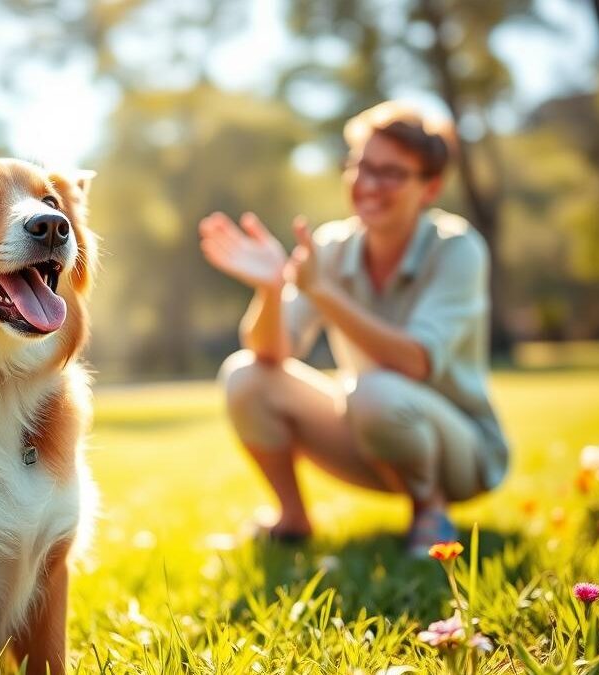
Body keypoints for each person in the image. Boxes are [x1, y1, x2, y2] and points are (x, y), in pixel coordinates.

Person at [199, 101, 509, 555]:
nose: (368, 184)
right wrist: (271, 290)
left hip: (462, 454)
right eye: (361, 166)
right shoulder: (332, 246)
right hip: (372, 426)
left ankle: (430, 511)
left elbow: (415, 361)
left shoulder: (457, 249)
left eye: (391, 173)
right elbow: (271, 352)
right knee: (245, 375)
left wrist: (324, 292)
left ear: (430, 188)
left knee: (373, 391)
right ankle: (293, 518)